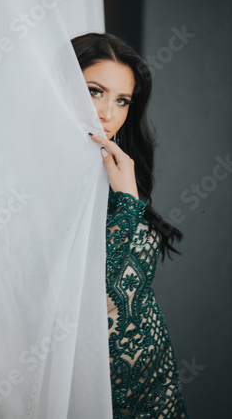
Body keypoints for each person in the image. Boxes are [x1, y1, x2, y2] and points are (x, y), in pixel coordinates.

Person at [71, 33, 190, 418]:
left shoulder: (111, 173)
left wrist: (126, 195)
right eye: (94, 91)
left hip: (155, 387)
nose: (108, 113)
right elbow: (91, 291)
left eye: (122, 100)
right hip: (96, 396)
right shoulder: (35, 186)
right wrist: (126, 204)